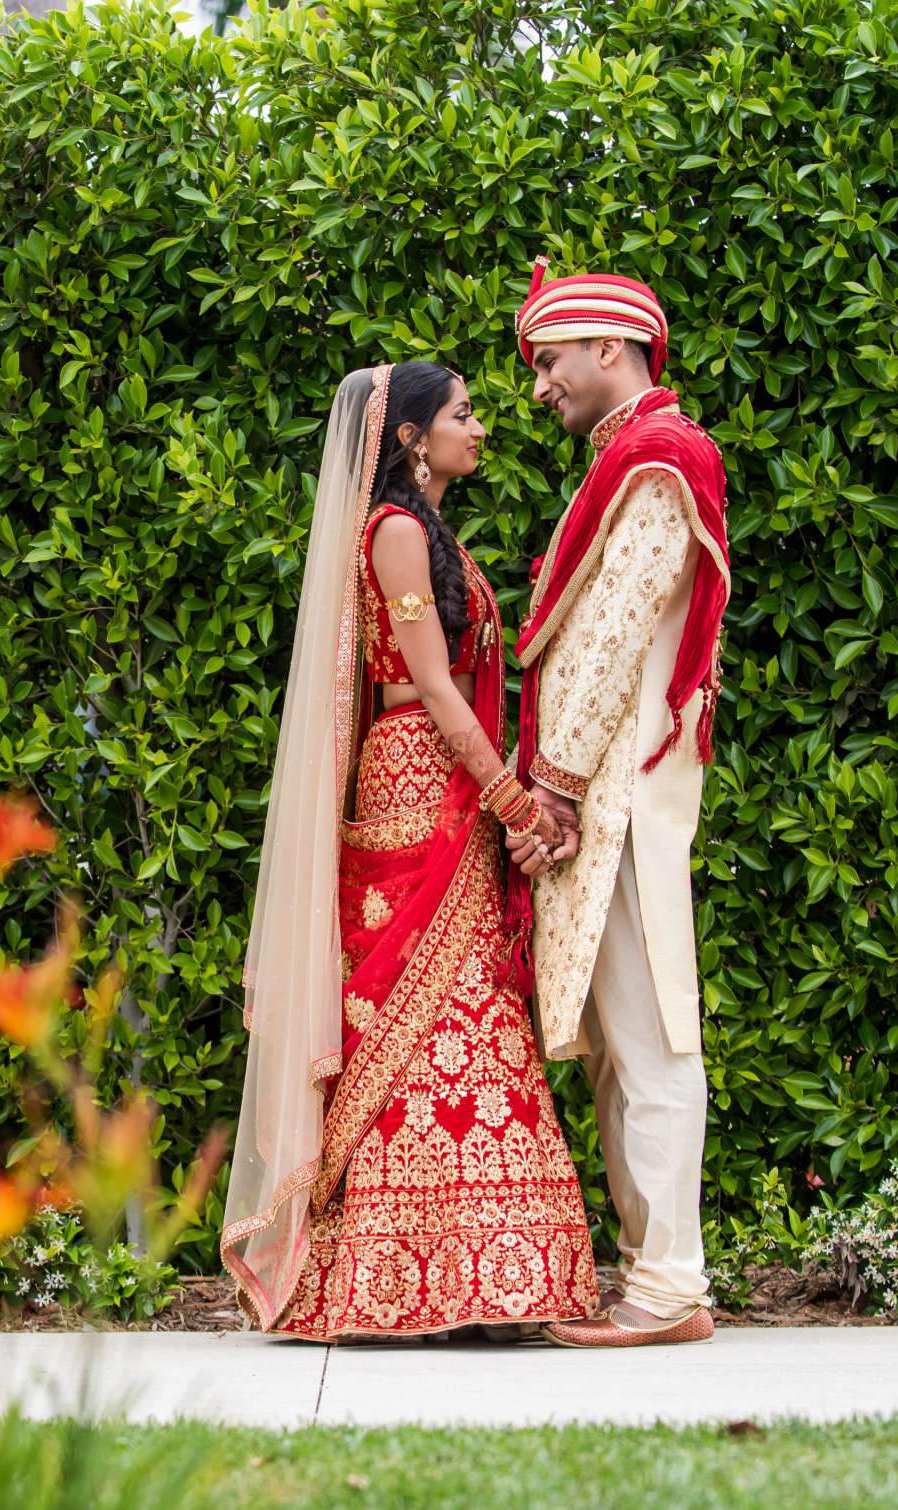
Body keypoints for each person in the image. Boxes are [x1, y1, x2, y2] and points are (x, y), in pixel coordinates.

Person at [224, 360, 599, 1342]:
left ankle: (479, 1273)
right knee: (432, 997)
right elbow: (432, 683)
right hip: (420, 776)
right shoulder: (393, 533)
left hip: (450, 776)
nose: (479, 428)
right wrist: (515, 798)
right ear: (409, 438)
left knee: (466, 1000)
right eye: (463, 415)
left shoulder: (426, 533)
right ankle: (398, 1276)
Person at [505, 261, 733, 1350]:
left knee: (649, 1040)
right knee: (615, 1044)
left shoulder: (659, 459)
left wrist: (548, 786)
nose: (540, 387)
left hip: (619, 795)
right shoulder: (624, 461)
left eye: (549, 362)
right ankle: (653, 1276)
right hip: (609, 792)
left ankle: (669, 1288)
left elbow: (603, 644)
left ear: (609, 348)